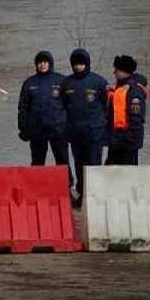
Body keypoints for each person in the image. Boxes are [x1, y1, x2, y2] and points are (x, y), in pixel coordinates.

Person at [60, 48, 108, 207]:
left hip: (94, 133)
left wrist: (103, 129)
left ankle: (95, 197)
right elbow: (63, 105)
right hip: (75, 133)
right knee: (79, 165)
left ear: (87, 64)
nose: (78, 67)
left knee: (94, 164)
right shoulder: (66, 84)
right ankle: (81, 194)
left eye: (81, 64)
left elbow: (106, 106)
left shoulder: (99, 82)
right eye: (75, 64)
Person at [17, 51, 71, 183]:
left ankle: (67, 186)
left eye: (45, 62)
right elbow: (23, 107)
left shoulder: (62, 80)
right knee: (37, 162)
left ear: (50, 63)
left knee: (62, 161)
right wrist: (23, 128)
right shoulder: (29, 83)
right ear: (36, 65)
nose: (42, 65)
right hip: (37, 131)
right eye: (40, 62)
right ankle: (36, 187)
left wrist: (69, 127)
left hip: (58, 129)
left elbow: (70, 105)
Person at [106, 55, 147, 166]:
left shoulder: (134, 91)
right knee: (110, 171)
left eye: (117, 70)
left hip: (127, 142)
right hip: (116, 141)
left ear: (124, 71)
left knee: (128, 174)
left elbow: (136, 118)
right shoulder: (118, 89)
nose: (114, 72)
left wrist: (129, 138)